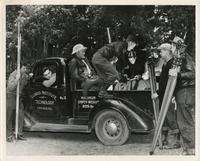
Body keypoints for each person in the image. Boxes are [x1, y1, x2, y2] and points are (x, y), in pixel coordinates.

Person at [169, 36, 195, 155]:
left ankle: (191, 148)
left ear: (178, 46)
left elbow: (193, 73)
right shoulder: (180, 57)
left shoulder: (184, 57)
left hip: (186, 91)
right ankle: (188, 148)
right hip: (182, 91)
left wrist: (178, 74)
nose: (172, 48)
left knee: (185, 120)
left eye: (173, 45)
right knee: (182, 120)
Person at [152, 43, 180, 149]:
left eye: (162, 51)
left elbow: (169, 82)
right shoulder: (166, 63)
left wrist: (158, 92)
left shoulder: (172, 64)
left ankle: (174, 143)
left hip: (169, 94)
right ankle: (163, 140)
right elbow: (163, 80)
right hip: (164, 94)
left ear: (168, 51)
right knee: (164, 118)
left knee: (170, 118)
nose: (160, 53)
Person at [6, 63, 30, 142]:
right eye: (24, 68)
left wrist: (29, 76)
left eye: (26, 68)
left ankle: (19, 133)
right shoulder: (13, 75)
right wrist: (17, 79)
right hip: (11, 96)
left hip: (18, 97)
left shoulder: (24, 75)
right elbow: (10, 87)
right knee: (9, 116)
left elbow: (26, 81)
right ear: (19, 68)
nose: (25, 70)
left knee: (20, 114)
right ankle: (9, 136)